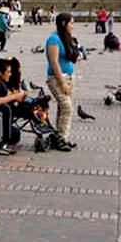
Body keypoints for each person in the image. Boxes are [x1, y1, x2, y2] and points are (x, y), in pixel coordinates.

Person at [46, 12, 79, 148]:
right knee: (67, 108)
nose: (73, 26)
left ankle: (60, 138)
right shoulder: (53, 39)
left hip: (69, 77)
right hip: (57, 78)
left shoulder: (65, 37)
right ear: (64, 23)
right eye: (71, 23)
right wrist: (63, 83)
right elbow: (54, 62)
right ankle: (61, 138)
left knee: (62, 108)